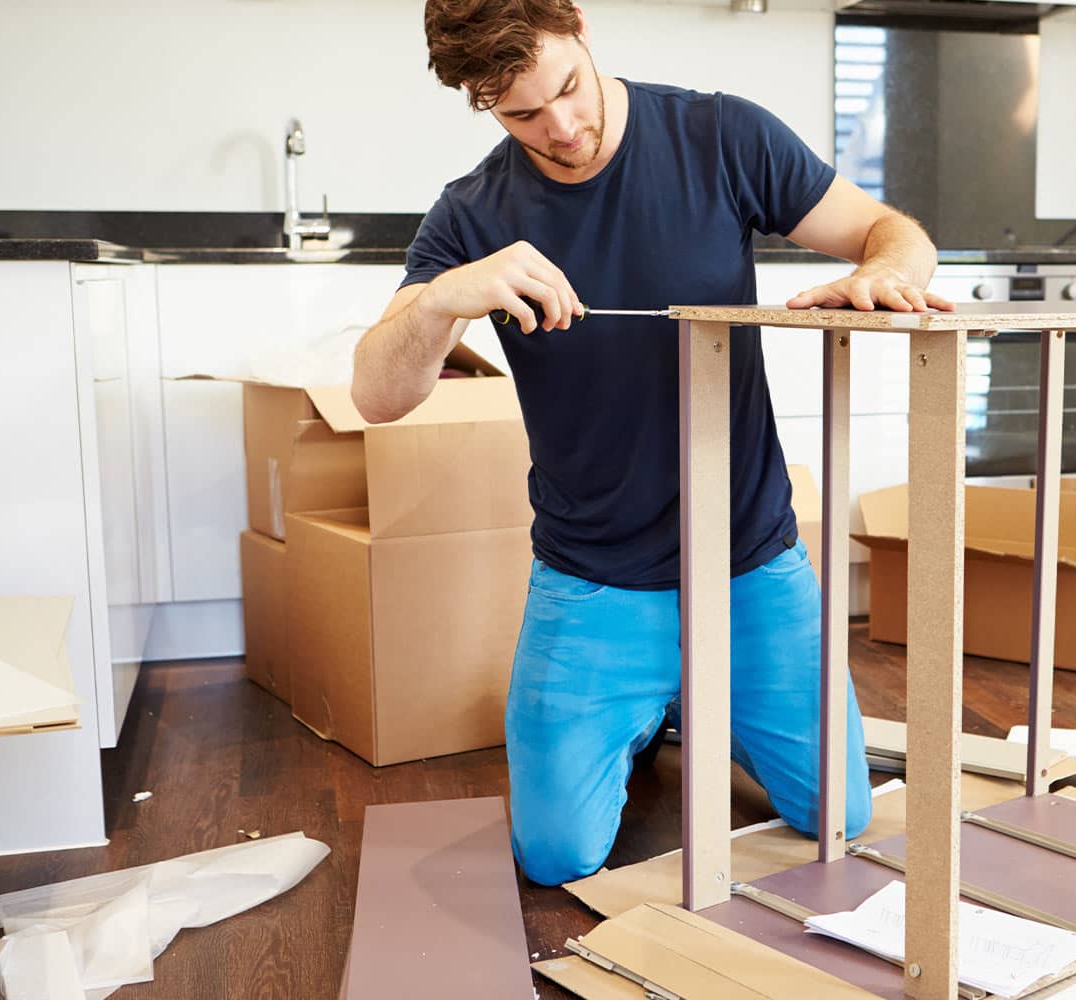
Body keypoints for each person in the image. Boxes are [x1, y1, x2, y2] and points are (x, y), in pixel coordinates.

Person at [350, 0, 954, 887]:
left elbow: (887, 230)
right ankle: (649, 709)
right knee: (556, 858)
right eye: (522, 114)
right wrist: (444, 298)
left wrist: (888, 272)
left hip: (748, 558)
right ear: (480, 103)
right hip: (592, 577)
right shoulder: (472, 215)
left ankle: (704, 701)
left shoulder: (721, 134)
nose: (561, 128)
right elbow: (376, 393)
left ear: (583, 31)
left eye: (566, 88)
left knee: (841, 815)